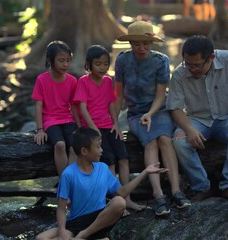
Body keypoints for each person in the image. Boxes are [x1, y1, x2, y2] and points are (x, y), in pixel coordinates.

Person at [166, 35, 228, 201]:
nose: (192, 69)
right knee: (179, 139)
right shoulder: (179, 73)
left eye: (197, 65)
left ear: (211, 58)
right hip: (198, 119)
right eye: (188, 64)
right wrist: (189, 129)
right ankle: (202, 187)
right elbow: (175, 108)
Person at [114, 20, 191, 216]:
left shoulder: (161, 60)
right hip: (136, 113)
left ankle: (176, 190)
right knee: (150, 142)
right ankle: (158, 195)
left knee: (165, 139)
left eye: (146, 43)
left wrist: (151, 113)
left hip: (159, 109)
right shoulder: (122, 60)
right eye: (136, 44)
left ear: (152, 43)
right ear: (130, 44)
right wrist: (114, 121)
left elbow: (160, 94)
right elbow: (119, 94)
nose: (142, 48)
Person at [35, 127, 168, 240]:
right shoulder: (68, 174)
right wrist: (63, 230)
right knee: (40, 238)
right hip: (76, 222)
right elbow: (61, 208)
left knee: (119, 202)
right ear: (84, 151)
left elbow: (122, 193)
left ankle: (83, 236)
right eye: (98, 147)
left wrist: (145, 172)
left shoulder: (102, 168)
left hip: (100, 220)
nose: (101, 150)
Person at [73, 45, 145, 212]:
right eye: (98, 64)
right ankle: (116, 202)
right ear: (88, 64)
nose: (103, 68)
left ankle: (128, 199)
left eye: (106, 64)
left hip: (109, 126)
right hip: (93, 129)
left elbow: (111, 104)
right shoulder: (83, 82)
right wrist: (93, 130)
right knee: (110, 162)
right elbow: (82, 109)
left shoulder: (108, 81)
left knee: (124, 158)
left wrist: (116, 124)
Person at [31, 40, 79, 177]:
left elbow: (74, 106)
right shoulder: (42, 79)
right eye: (61, 60)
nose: (65, 64)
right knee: (60, 145)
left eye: (68, 60)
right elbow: (38, 105)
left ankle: (70, 181)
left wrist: (79, 125)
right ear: (50, 60)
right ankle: (65, 182)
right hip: (50, 120)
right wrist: (40, 130)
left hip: (68, 119)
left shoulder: (72, 80)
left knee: (75, 146)